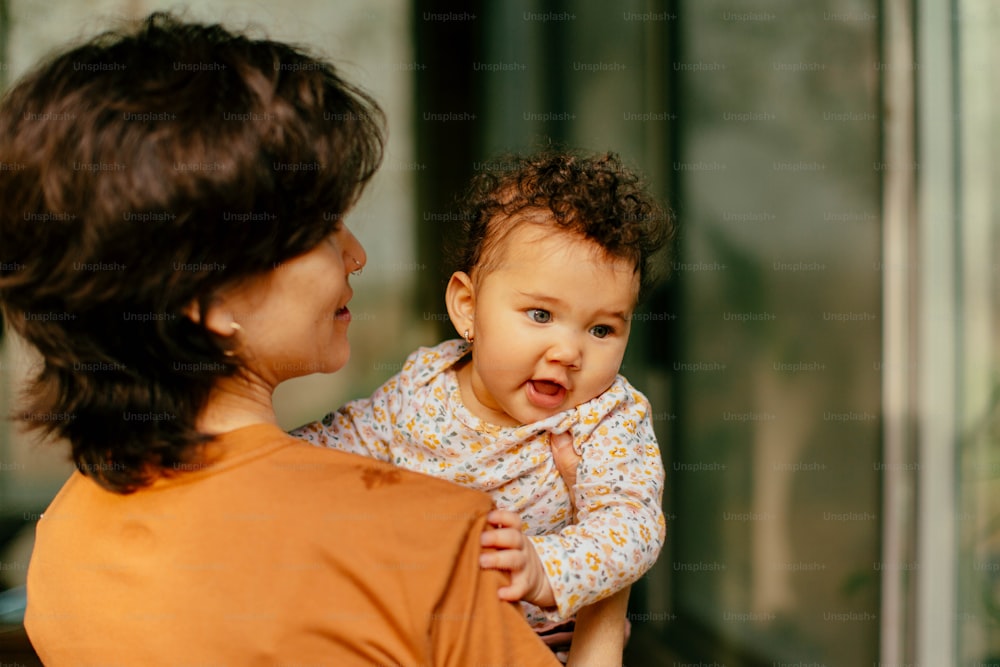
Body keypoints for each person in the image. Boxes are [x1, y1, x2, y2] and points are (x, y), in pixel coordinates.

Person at [0, 13, 563, 665]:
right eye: (325, 227)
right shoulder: (429, 536)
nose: (355, 255)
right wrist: (605, 611)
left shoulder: (65, 536)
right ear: (208, 296)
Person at [293, 151, 673, 663]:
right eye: (540, 314)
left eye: (602, 328)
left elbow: (633, 525)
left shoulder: (604, 416)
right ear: (467, 308)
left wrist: (546, 566)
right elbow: (337, 444)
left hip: (536, 643)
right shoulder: (423, 385)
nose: (568, 352)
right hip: (414, 634)